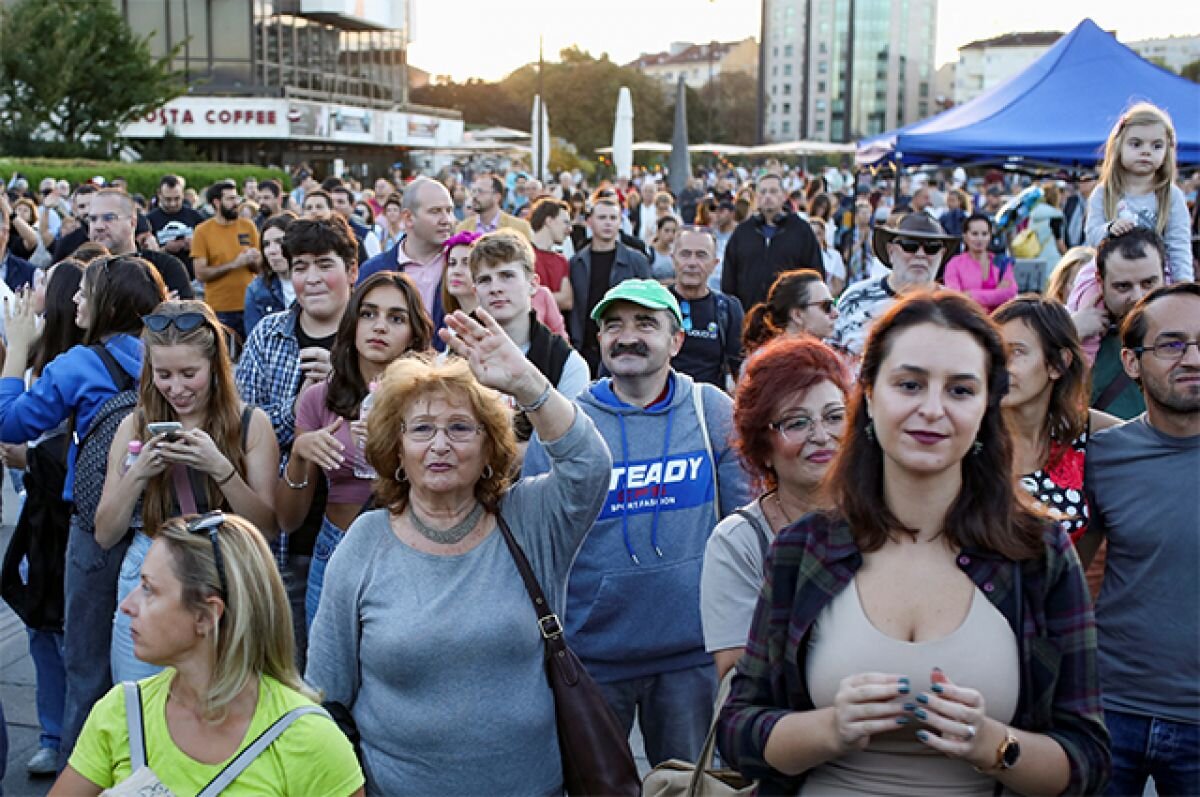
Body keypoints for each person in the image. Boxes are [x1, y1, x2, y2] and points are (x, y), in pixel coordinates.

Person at [718, 291, 1110, 795]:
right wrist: (829, 730)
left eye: (961, 390)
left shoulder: (1038, 553)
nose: (932, 409)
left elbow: (1088, 759)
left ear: (988, 405)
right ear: (870, 394)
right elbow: (737, 730)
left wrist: (994, 745)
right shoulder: (805, 549)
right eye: (909, 384)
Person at [306, 312, 611, 794]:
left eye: (461, 428)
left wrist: (529, 383)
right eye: (422, 429)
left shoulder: (528, 518)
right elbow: (326, 695)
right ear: (397, 448)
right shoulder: (365, 543)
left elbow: (589, 467)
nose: (440, 445)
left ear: (490, 447)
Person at [523, 279, 752, 767]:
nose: (627, 337)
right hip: (593, 655)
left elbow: (743, 528)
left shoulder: (711, 410)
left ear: (676, 341)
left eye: (645, 324)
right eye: (613, 326)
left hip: (691, 656)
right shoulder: (568, 421)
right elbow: (533, 537)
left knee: (687, 783)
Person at [49, 513, 364, 796]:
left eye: (149, 589)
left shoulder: (310, 740)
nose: (127, 605)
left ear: (206, 615)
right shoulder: (122, 711)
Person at [0, 256, 168, 766]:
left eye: (84, 293)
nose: (74, 300)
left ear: (107, 303)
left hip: (99, 527)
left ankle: (84, 770)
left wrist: (18, 351)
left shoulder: (79, 364)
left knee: (87, 664)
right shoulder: (173, 357)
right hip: (165, 522)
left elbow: (11, 423)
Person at [93, 299, 279, 683]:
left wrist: (220, 468)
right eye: (163, 374)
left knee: (222, 703)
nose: (176, 388)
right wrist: (139, 472)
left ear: (215, 367)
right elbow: (105, 532)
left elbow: (269, 528)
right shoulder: (133, 426)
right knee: (139, 701)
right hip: (149, 565)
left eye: (188, 373)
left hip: (224, 571)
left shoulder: (251, 425)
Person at [1078, 282, 1200, 797]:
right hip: (1112, 713)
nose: (1193, 358)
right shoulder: (1104, 457)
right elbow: (1071, 575)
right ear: (1131, 363)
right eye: (1172, 344)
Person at [277, 272, 432, 628]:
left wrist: (394, 447)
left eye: (396, 318)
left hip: (408, 549)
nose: (379, 326)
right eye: (368, 313)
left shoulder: (428, 400)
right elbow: (288, 520)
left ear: (413, 334)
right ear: (353, 322)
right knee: (326, 680)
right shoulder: (320, 398)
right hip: (335, 548)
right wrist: (300, 454)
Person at [235, 217, 358, 658]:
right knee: (292, 668)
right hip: (286, 542)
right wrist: (302, 409)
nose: (311, 278)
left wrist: (345, 387)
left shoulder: (374, 336)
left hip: (362, 534)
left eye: (324, 265)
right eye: (300, 266)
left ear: (351, 270)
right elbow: (241, 428)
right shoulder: (269, 335)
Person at [701, 336, 848, 680]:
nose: (821, 435)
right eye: (796, 422)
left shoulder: (889, 517)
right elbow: (736, 677)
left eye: (835, 417)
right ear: (761, 447)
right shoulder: (738, 543)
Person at [3, 260, 85, 776]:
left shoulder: (76, 363)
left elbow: (16, 425)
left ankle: (70, 737)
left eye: (41, 286)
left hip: (68, 515)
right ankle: (53, 732)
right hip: (38, 514)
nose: (28, 294)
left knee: (67, 629)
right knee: (39, 625)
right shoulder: (35, 358)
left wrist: (28, 455)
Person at [993, 296, 1119, 570]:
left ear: (1058, 364)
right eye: (995, 352)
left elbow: (1150, 440)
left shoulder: (1085, 431)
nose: (1001, 366)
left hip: (1057, 605)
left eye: (1016, 352)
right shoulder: (970, 434)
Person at [469, 230, 588, 401]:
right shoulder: (457, 356)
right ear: (475, 292)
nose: (495, 288)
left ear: (533, 284)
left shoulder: (566, 363)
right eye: (485, 280)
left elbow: (573, 427)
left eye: (507, 276)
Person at [1085, 102, 1193, 282]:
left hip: (1154, 282)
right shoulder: (1104, 192)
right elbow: (1091, 235)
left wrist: (1184, 285)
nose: (1146, 151)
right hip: (1110, 280)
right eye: (1136, 144)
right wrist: (1109, 229)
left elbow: (1179, 246)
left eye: (1156, 146)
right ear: (1119, 146)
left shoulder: (1171, 196)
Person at [830, 213, 956, 363]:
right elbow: (829, 357)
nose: (920, 255)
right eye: (909, 245)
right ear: (891, 251)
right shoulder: (854, 297)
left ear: (941, 255)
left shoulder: (955, 307)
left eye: (932, 248)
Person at [1075, 228, 1166, 419]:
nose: (1138, 297)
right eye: (1123, 286)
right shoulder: (1080, 337)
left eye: (1148, 283)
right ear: (1100, 282)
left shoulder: (1191, 335)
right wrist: (1069, 332)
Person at [358, 177, 455, 330]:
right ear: (408, 218)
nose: (446, 219)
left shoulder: (462, 267)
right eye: (435, 211)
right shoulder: (374, 270)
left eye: (449, 210)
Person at [721, 173, 823, 312]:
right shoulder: (743, 232)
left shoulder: (801, 230)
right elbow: (729, 276)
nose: (767, 196)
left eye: (773, 191)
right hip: (749, 314)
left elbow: (814, 272)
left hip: (790, 316)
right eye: (763, 192)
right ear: (756, 197)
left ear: (784, 196)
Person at [668, 225, 745, 389]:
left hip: (708, 407)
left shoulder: (728, 309)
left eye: (701, 255)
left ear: (714, 264)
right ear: (673, 259)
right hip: (659, 407)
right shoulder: (657, 304)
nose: (692, 263)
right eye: (685, 254)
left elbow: (742, 369)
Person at [85, 188, 194, 301]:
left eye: (109, 218)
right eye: (92, 219)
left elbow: (186, 315)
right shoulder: (83, 269)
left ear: (132, 222)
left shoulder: (164, 267)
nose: (98, 226)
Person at [192, 180, 260, 341]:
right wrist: (234, 264)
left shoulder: (248, 226)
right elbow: (200, 273)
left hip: (250, 305)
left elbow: (260, 268)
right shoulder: (203, 231)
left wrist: (252, 260)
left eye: (236, 198)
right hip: (219, 309)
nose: (236, 203)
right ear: (216, 202)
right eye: (230, 199)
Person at [742, 269, 838, 354]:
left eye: (834, 304)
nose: (836, 313)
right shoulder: (770, 363)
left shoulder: (825, 359)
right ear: (797, 315)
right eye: (826, 306)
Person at [942, 213, 1017, 313]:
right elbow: (956, 298)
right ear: (965, 236)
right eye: (974, 234)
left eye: (984, 234)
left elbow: (1010, 292)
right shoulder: (954, 264)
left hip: (998, 321)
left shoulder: (1002, 262)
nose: (980, 239)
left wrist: (970, 295)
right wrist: (996, 295)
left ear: (990, 236)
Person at [243, 214, 297, 336]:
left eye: (280, 241)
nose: (272, 250)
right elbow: (254, 342)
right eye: (266, 244)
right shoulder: (256, 290)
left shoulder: (315, 282)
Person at [147, 175, 205, 277]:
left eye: (177, 199)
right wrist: (165, 249)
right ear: (159, 195)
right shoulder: (150, 219)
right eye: (168, 199)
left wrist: (195, 246)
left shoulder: (195, 216)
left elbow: (208, 245)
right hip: (163, 275)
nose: (173, 204)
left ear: (183, 194)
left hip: (192, 275)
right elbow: (145, 255)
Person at [529, 197, 574, 313]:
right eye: (565, 222)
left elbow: (567, 301)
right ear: (549, 221)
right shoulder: (522, 255)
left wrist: (535, 296)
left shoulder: (561, 260)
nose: (570, 229)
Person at [457, 173, 534, 239]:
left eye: (480, 191)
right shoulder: (462, 229)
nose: (475, 196)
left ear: (497, 197)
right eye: (473, 191)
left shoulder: (519, 228)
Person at [440, 229, 480, 316]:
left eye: (466, 263)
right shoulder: (450, 321)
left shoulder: (496, 321)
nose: (456, 271)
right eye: (452, 263)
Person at [807, 218, 846, 297]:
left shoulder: (834, 256)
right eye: (812, 234)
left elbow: (838, 285)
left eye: (818, 234)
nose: (815, 238)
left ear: (824, 234)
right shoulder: (800, 254)